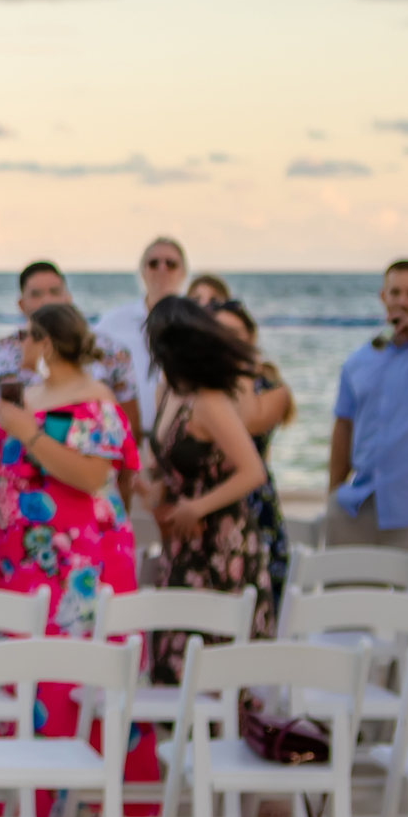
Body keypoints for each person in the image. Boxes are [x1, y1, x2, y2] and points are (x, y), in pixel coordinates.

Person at [0, 302, 154, 788]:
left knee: (74, 657)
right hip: (24, 557)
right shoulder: (30, 393)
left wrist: (28, 433)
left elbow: (93, 473)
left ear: (47, 343)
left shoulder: (94, 398)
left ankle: (77, 791)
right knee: (24, 653)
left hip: (79, 556)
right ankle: (22, 787)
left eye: (27, 337)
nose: (21, 346)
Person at [135, 297, 274, 684]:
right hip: (182, 541)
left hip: (221, 543)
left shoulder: (210, 401)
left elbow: (252, 472)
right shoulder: (168, 393)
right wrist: (149, 487)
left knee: (213, 668)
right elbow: (165, 466)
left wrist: (197, 507)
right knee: (173, 661)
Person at [0, 260, 140, 517]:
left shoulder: (107, 363)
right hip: (20, 514)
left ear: (68, 297)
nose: (47, 300)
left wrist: (123, 502)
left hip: (78, 520)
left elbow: (118, 448)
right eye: (36, 293)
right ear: (21, 304)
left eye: (54, 291)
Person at [325, 259, 408, 558]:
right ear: (383, 296)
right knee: (345, 600)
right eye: (395, 292)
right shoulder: (358, 360)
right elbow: (343, 427)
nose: (403, 301)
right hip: (357, 504)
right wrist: (332, 495)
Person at [207, 298, 295, 598]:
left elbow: (246, 423)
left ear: (251, 337)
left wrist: (241, 370)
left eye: (234, 334)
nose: (225, 341)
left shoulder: (272, 388)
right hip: (210, 505)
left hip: (255, 506)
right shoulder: (202, 389)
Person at [95, 236, 189, 432]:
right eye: (153, 263)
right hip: (127, 441)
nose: (162, 269)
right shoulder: (112, 324)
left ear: (184, 272)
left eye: (170, 264)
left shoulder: (198, 324)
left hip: (186, 444)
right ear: (142, 271)